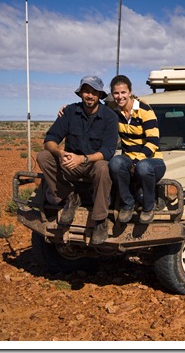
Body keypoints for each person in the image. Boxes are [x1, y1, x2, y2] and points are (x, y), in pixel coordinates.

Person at [36, 76, 118, 244]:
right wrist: (60, 153)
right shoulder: (69, 112)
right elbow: (50, 140)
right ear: (80, 93)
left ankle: (100, 220)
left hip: (93, 164)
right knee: (43, 156)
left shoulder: (110, 116)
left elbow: (108, 151)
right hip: (70, 163)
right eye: (86, 91)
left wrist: (83, 159)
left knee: (103, 167)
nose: (90, 95)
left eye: (94, 92)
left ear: (100, 95)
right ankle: (70, 197)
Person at [108, 75, 166, 224]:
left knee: (143, 166)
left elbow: (153, 141)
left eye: (123, 92)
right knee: (115, 163)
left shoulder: (145, 110)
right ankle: (128, 204)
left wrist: (136, 161)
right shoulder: (114, 112)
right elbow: (94, 108)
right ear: (112, 94)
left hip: (152, 161)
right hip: (129, 161)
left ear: (130, 92)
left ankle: (148, 207)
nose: (120, 96)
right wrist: (66, 108)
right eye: (116, 93)